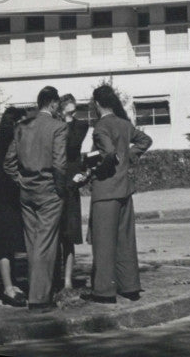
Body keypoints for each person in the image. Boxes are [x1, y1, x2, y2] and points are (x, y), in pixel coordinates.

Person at [84, 85, 152, 304]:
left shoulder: (100, 127)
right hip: (124, 189)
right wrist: (129, 157)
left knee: (103, 243)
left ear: (96, 104)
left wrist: (96, 167)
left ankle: (104, 291)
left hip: (105, 191)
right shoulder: (124, 124)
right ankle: (130, 286)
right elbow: (145, 140)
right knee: (125, 241)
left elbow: (109, 153)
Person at [3, 86, 67, 311]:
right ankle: (40, 298)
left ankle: (36, 292)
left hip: (26, 191)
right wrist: (60, 189)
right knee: (45, 243)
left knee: (33, 244)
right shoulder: (58, 127)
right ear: (53, 103)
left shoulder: (22, 127)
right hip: (49, 190)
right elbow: (59, 164)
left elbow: (8, 162)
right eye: (57, 103)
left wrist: (19, 178)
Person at [0, 106, 28, 306]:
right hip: (7, 196)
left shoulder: (4, 138)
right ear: (16, 122)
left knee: (7, 244)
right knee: (5, 244)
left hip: (3, 196)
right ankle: (8, 288)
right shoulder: (13, 139)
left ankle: (10, 284)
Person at [57, 94, 89, 294]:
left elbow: (71, 145)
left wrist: (64, 120)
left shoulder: (80, 126)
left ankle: (67, 281)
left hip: (70, 182)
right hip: (56, 181)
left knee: (68, 235)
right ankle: (53, 278)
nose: (72, 106)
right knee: (53, 235)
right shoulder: (55, 124)